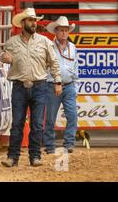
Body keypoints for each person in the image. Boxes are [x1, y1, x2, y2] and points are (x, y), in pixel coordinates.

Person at [0, 8, 62, 167]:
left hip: (39, 86)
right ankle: (12, 157)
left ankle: (35, 156)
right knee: (17, 123)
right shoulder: (12, 42)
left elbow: (54, 62)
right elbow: (2, 55)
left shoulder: (44, 41)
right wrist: (4, 57)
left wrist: (58, 81)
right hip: (19, 87)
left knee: (37, 124)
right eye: (30, 20)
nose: (34, 23)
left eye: (35, 20)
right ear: (22, 23)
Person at [43, 16, 79, 154]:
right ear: (56, 32)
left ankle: (69, 143)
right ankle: (50, 146)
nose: (64, 33)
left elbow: (75, 67)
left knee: (72, 115)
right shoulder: (50, 47)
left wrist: (75, 86)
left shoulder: (73, 47)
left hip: (69, 85)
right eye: (61, 30)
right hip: (52, 85)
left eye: (66, 30)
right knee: (50, 117)